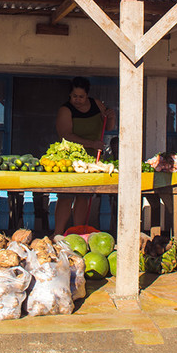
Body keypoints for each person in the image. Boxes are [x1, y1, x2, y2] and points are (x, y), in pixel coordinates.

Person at [53, 77, 116, 235]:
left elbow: (107, 126)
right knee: (66, 197)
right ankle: (58, 233)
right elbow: (65, 135)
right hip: (70, 159)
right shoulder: (65, 110)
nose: (78, 100)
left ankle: (78, 233)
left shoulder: (96, 104)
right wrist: (90, 143)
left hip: (92, 161)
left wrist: (112, 116)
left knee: (84, 196)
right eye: (74, 96)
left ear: (87, 95)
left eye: (81, 96)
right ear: (70, 95)